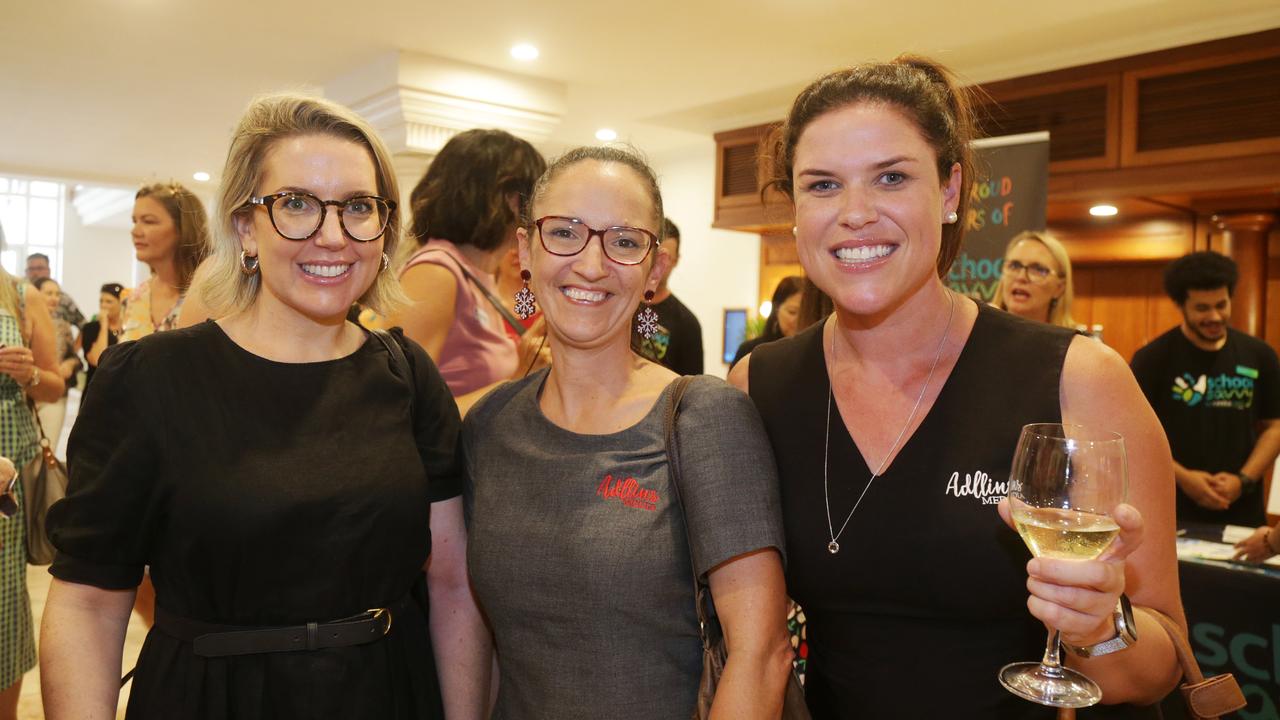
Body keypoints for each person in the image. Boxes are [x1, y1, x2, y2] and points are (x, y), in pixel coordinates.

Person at [729, 56, 1183, 717]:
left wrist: (1096, 627)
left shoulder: (1077, 376)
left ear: (948, 192)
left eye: (890, 177)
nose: (855, 213)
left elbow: (1160, 668)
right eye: (823, 185)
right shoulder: (759, 385)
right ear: (795, 212)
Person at [40, 93, 487, 719]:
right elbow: (89, 600)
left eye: (359, 206)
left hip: (386, 692)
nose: (333, 235)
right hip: (211, 700)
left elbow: (453, 587)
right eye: (296, 204)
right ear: (246, 226)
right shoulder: (151, 380)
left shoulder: (406, 375)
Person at [463, 146, 793, 718]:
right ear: (524, 251)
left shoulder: (703, 418)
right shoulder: (489, 426)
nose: (591, 265)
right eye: (564, 232)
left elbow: (760, 654)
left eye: (623, 241)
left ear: (654, 270)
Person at [386, 129, 546, 396]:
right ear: (509, 198)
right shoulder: (437, 272)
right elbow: (398, 405)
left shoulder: (477, 275)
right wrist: (520, 379)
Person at [1130, 251, 1280, 529]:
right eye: (1202, 308)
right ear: (1182, 306)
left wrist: (1243, 480)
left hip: (1243, 513)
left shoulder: (1260, 355)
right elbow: (1134, 435)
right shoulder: (1152, 359)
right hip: (1172, 510)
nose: (1214, 316)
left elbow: (1275, 426)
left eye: (1221, 305)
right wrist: (1185, 478)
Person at [0, 257, 65, 720]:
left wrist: (29, 376)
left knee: (4, 603)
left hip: (5, 474)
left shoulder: (19, 295)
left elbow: (55, 384)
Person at [121, 182, 211, 340]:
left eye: (148, 221)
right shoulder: (135, 298)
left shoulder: (211, 296)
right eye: (135, 221)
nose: (135, 231)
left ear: (182, 228)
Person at [633, 218, 705, 375]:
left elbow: (690, 387)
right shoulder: (622, 305)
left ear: (676, 260)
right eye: (655, 256)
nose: (659, 265)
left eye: (666, 259)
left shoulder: (687, 323)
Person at [992, 230, 1078, 329]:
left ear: (1059, 288)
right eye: (1014, 265)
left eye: (1038, 269)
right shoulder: (977, 332)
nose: (1021, 277)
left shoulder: (1075, 343)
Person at [31, 277, 82, 445]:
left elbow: (73, 357)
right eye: (49, 293)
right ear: (35, 294)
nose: (54, 298)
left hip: (56, 395)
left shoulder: (63, 326)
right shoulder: (23, 323)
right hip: (26, 394)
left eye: (57, 294)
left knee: (47, 449)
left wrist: (70, 364)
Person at [732, 275, 804, 367]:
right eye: (792, 312)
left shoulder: (815, 351)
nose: (800, 320)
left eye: (806, 313)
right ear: (776, 310)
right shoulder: (750, 351)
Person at [76, 282, 125, 387]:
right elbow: (96, 360)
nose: (103, 305)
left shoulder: (128, 329)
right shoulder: (91, 328)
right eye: (101, 301)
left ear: (121, 303)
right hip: (95, 389)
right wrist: (103, 325)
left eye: (109, 302)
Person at [25, 252, 85, 330]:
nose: (35, 272)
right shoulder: (20, 298)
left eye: (40, 268)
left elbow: (84, 326)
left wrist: (77, 342)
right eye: (31, 269)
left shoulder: (64, 299)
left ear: (48, 270)